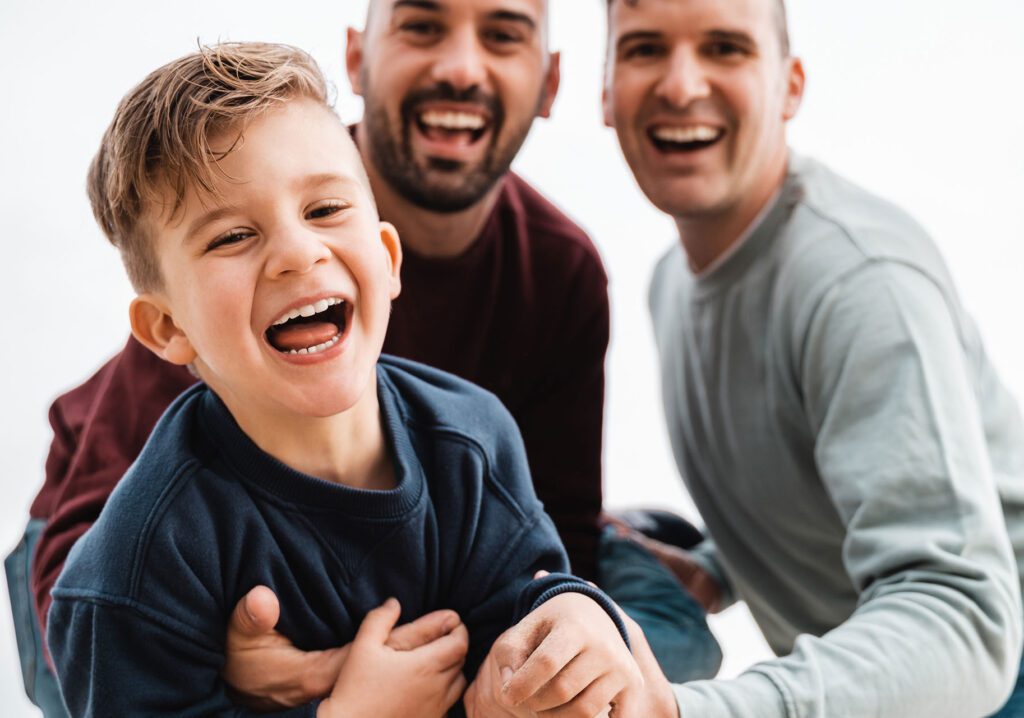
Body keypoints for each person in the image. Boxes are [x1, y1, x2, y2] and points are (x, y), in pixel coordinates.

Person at [9, 0, 720, 713]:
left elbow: (537, 570)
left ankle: (629, 538)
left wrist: (571, 615)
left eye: (324, 212)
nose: (296, 251)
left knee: (639, 646)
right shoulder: (139, 556)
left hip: (408, 555)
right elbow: (92, 597)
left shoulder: (488, 402)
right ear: (167, 331)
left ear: (387, 258)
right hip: (91, 536)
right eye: (232, 237)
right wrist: (305, 698)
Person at [594, 0, 1024, 715]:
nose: (679, 84)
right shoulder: (671, 282)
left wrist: (690, 712)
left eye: (725, 48)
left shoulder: (861, 282)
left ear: (791, 85)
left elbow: (966, 621)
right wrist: (715, 569)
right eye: (643, 48)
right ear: (605, 91)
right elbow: (833, 476)